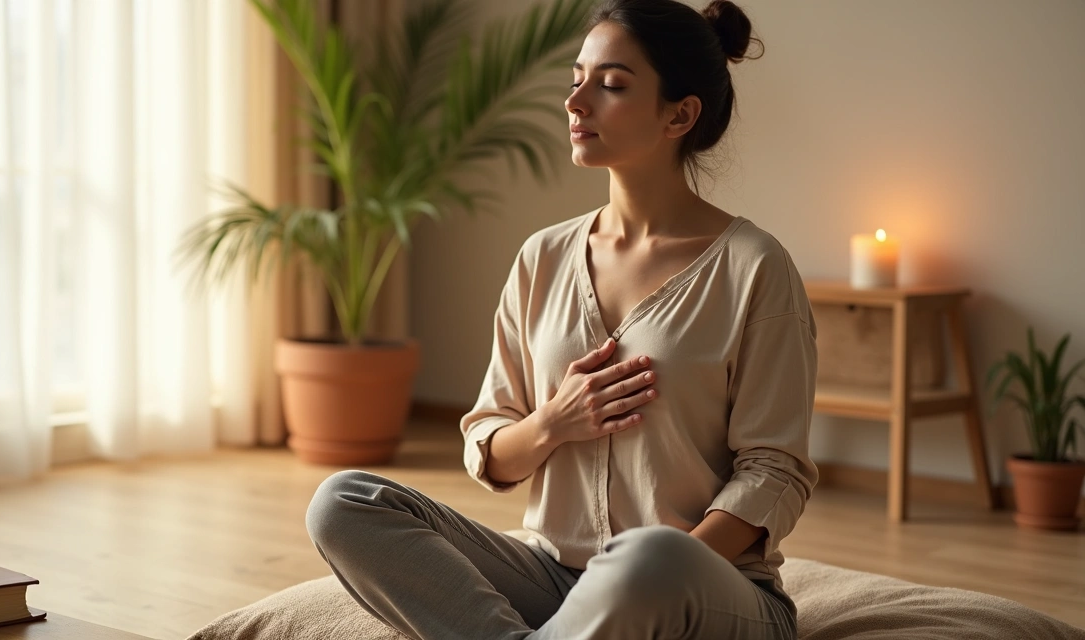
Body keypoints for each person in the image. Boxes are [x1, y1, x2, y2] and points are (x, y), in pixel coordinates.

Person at [305, 0, 818, 638]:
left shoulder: (753, 267)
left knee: (649, 555)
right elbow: (492, 444)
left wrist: (652, 570)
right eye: (576, 79)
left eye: (610, 85)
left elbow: (775, 471)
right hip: (552, 577)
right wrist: (553, 422)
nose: (576, 102)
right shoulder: (542, 256)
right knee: (345, 502)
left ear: (679, 114)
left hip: (698, 586)